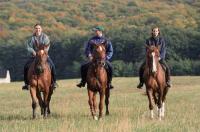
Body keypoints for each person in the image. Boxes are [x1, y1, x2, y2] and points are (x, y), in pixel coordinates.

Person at [22, 24, 58, 90]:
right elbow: (28, 47)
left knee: (52, 66)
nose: (37, 30)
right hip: (34, 56)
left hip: (43, 56)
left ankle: (54, 82)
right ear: (34, 29)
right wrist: (33, 52)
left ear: (41, 29)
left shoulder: (45, 37)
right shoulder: (31, 38)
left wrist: (43, 51)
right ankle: (26, 84)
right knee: (26, 66)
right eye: (36, 28)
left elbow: (47, 45)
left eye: (39, 28)